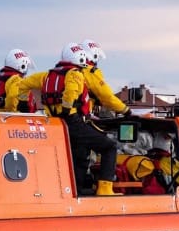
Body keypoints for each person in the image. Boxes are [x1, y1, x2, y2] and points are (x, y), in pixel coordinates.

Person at [38, 42, 129, 197]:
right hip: (75, 120)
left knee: (78, 156)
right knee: (108, 146)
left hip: (55, 122)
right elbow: (106, 96)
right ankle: (105, 188)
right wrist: (125, 110)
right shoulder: (83, 73)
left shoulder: (49, 74)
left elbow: (24, 84)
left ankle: (75, 191)